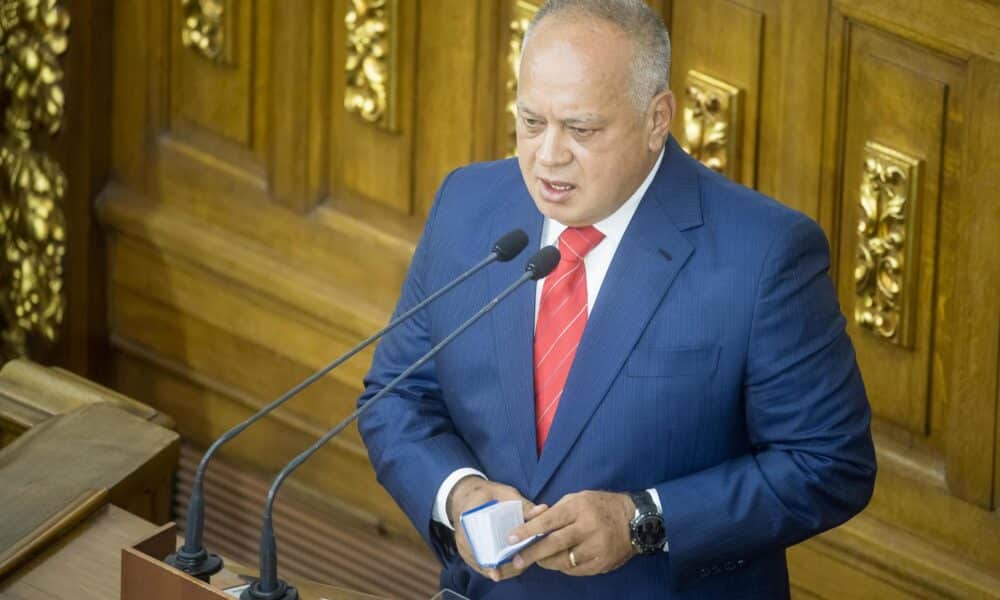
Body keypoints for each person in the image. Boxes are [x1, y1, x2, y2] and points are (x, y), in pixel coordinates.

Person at [358, 0, 876, 597]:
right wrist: (457, 493)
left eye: (581, 130)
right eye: (531, 122)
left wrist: (643, 522)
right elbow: (397, 397)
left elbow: (831, 464)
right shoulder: (469, 205)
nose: (548, 155)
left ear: (658, 118)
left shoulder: (763, 256)